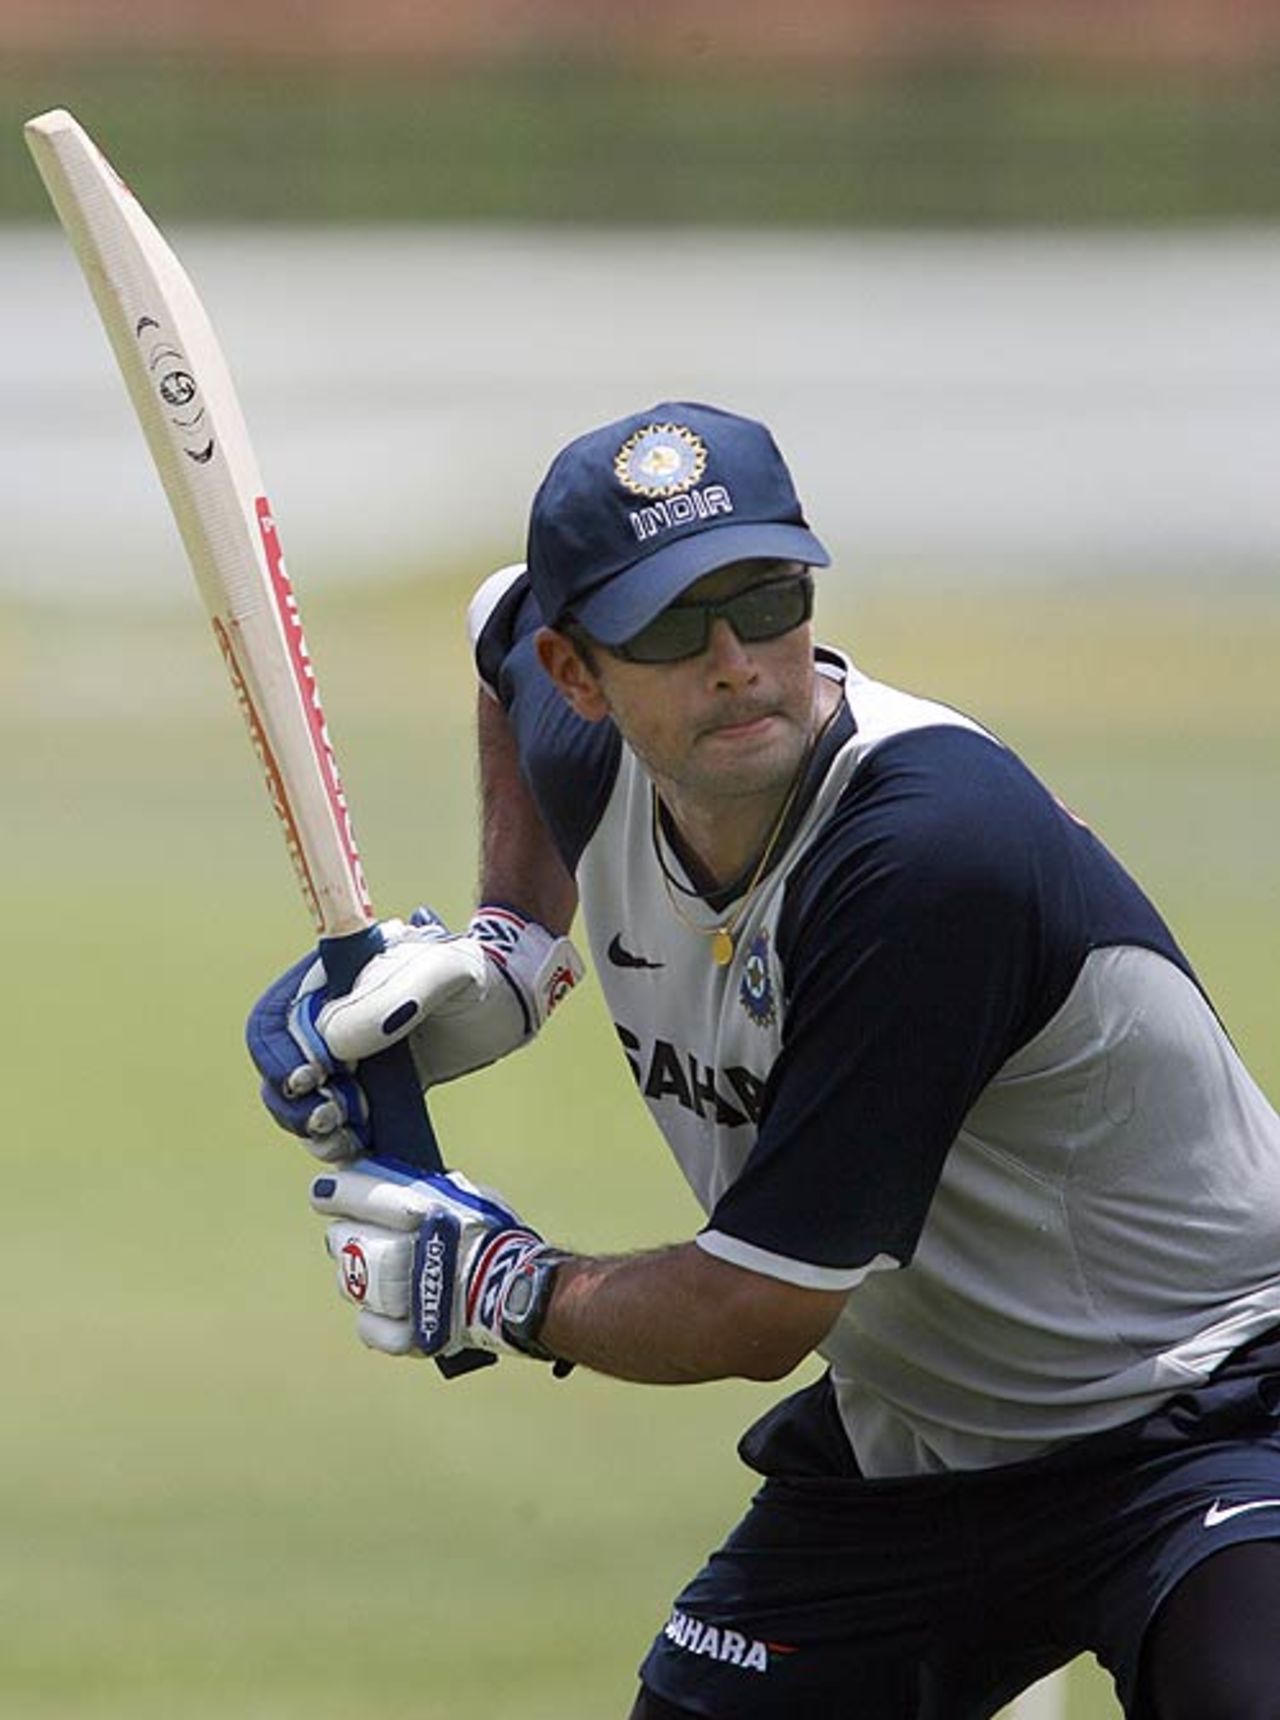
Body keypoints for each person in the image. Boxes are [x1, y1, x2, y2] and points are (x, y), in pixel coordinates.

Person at [248, 401, 1280, 1719]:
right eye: (674, 626)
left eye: (769, 594)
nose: (736, 662)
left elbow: (756, 1315)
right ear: (583, 674)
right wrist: (517, 940)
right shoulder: (588, 732)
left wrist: (495, 1281)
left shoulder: (927, 857)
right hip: (924, 1442)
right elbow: (497, 623)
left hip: (1216, 1402)